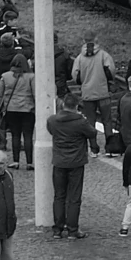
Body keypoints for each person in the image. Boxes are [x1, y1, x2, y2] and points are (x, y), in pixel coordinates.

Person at [48, 97, 93, 238]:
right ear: (76, 106)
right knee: (74, 197)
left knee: (59, 196)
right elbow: (92, 133)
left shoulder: (52, 120)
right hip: (76, 163)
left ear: (63, 105)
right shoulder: (81, 122)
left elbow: (51, 131)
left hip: (59, 162)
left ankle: (57, 229)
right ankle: (73, 230)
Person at [0, 51, 37, 170]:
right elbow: (35, 93)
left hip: (11, 109)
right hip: (27, 109)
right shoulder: (31, 77)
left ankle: (16, 161)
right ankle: (29, 162)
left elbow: (0, 94)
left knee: (15, 135)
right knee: (28, 136)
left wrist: (1, 108)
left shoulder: (5, 76)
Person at [71, 35, 117, 128]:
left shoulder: (79, 59)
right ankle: (109, 141)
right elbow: (111, 72)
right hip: (103, 94)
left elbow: (75, 76)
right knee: (107, 121)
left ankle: (93, 142)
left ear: (84, 41)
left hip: (87, 95)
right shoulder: (104, 55)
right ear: (96, 40)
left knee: (90, 122)